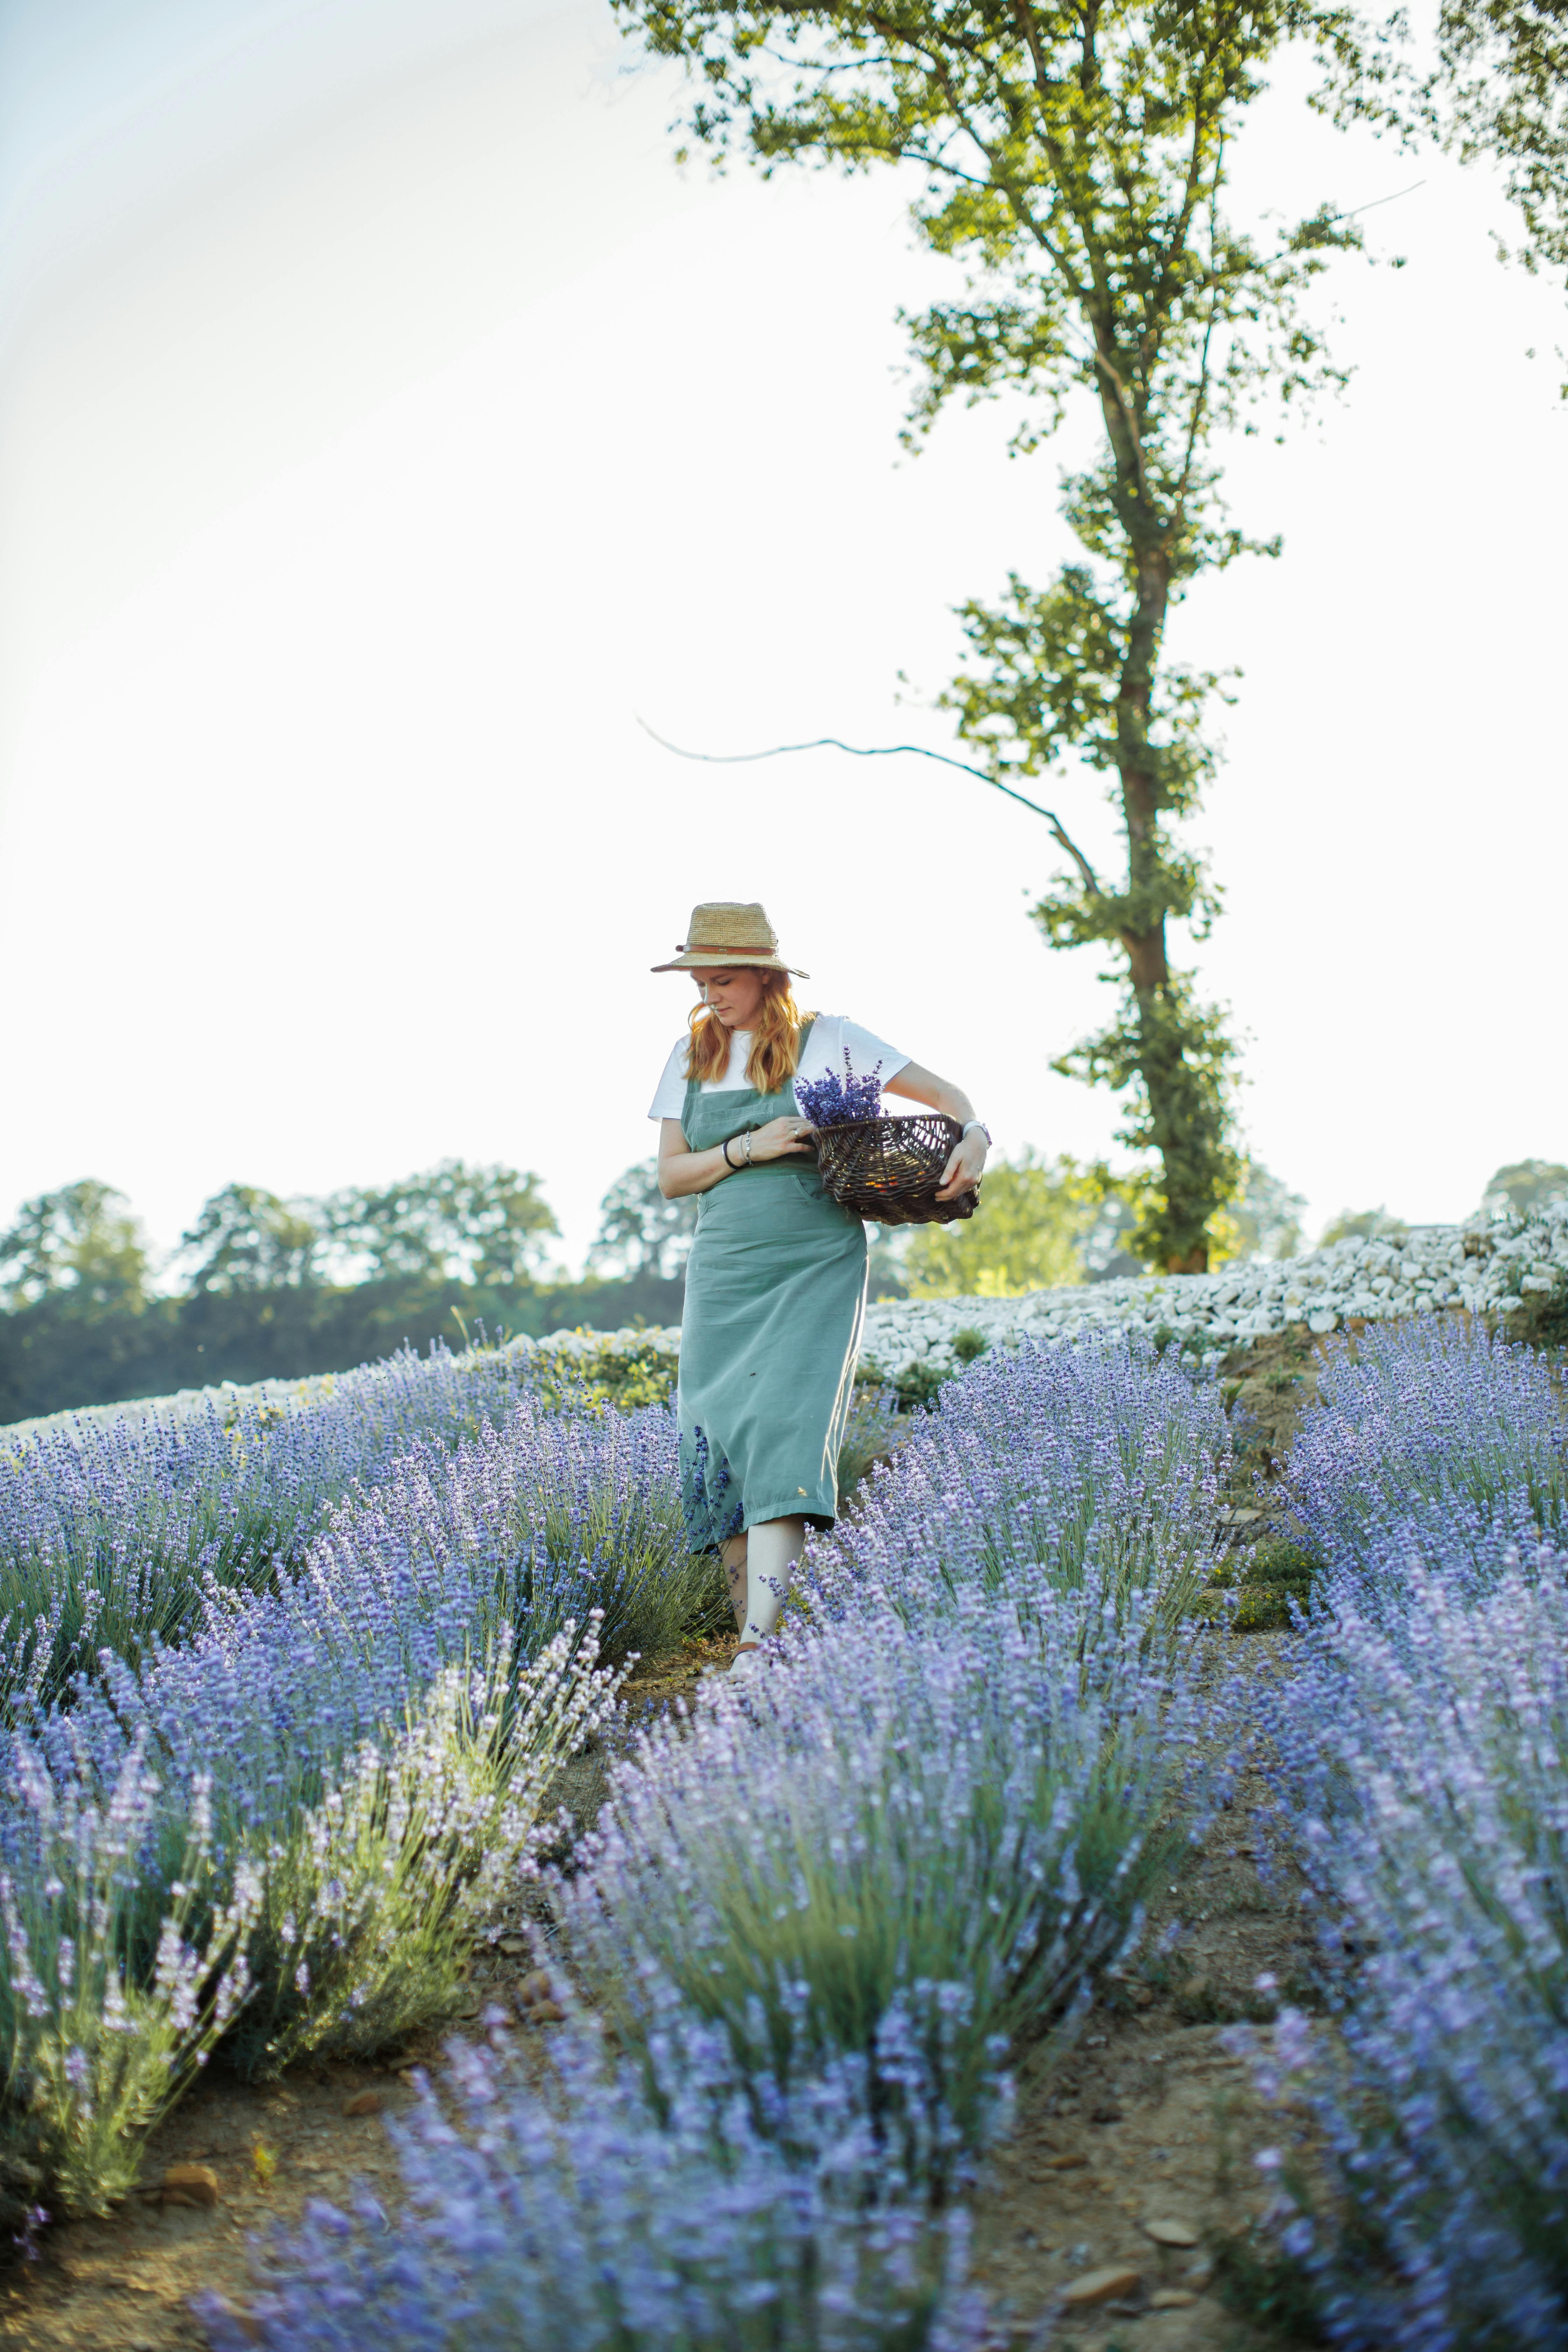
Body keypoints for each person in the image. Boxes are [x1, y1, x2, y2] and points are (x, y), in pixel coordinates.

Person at [649, 900, 989, 1675]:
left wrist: (976, 1135)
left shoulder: (828, 1038)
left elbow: (952, 1100)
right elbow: (672, 1178)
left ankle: (759, 1645)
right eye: (700, 982)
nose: (710, 996)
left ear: (767, 977)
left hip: (813, 1258)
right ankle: (752, 1642)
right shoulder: (687, 1055)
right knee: (720, 1439)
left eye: (724, 980)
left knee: (784, 1428)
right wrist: (746, 1146)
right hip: (725, 1265)